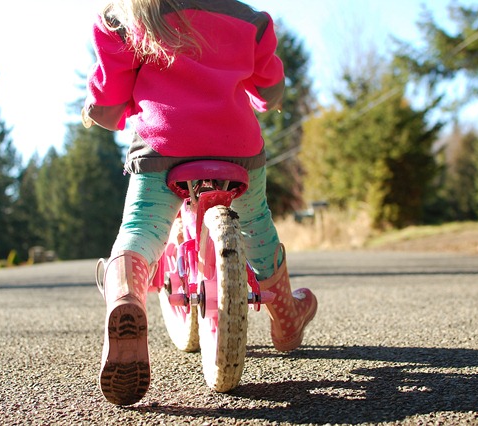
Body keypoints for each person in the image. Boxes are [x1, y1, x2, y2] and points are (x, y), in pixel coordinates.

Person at [82, 0, 318, 406]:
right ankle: (286, 318)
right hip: (237, 148)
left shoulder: (125, 16)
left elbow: (111, 93)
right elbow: (269, 86)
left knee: (140, 228)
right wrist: (271, 99)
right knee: (256, 223)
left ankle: (125, 298)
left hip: (163, 146)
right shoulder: (250, 21)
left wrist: (98, 111)